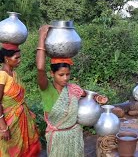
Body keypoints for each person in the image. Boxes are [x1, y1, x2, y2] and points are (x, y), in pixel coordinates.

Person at [36, 25, 108, 156]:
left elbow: (89, 94)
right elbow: (40, 69)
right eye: (61, 75)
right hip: (58, 139)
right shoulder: (46, 89)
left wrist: (98, 97)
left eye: (68, 74)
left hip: (75, 136)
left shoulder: (73, 89)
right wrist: (41, 37)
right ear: (52, 74)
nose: (65, 78)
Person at [0, 43, 41, 156]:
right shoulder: (2, 75)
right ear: (6, 58)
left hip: (22, 117)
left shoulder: (14, 74)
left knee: (26, 149)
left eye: (19, 57)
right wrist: (3, 127)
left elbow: (19, 99)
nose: (19, 60)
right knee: (9, 150)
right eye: (16, 58)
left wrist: (28, 110)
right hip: (9, 122)